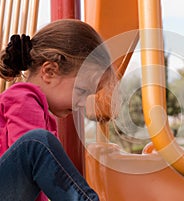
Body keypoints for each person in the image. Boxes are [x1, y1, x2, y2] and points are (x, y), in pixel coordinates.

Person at [0, 19, 116, 201]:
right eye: (81, 91)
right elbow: (30, 165)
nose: (82, 103)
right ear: (49, 71)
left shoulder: (42, 114)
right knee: (37, 143)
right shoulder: (23, 98)